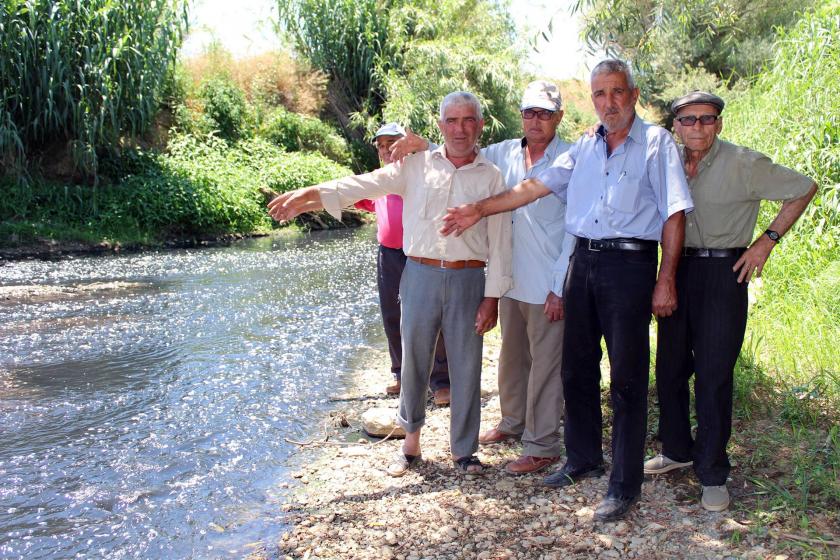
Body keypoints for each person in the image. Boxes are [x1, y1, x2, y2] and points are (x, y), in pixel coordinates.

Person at [441, 60, 693, 521]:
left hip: (630, 263)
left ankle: (624, 485)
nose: (608, 102)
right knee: (576, 370)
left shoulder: (656, 144)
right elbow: (534, 187)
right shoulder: (583, 148)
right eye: (600, 93)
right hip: (583, 261)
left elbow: (675, 213)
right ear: (592, 100)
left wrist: (666, 278)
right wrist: (479, 208)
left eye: (617, 92)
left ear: (633, 95)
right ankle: (582, 460)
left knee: (628, 378)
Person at [267, 91, 512, 477]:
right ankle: (411, 447)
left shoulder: (492, 176)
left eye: (468, 121)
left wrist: (492, 298)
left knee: (466, 367)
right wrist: (308, 197)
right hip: (419, 274)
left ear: (480, 125)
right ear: (440, 125)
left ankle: (464, 453)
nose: (460, 129)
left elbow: (500, 242)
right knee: (413, 362)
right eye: (451, 121)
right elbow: (361, 185)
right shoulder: (413, 166)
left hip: (469, 278)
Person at [644, 91, 817, 511]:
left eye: (706, 119)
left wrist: (766, 242)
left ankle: (713, 472)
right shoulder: (668, 165)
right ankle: (677, 449)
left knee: (714, 374)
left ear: (719, 123)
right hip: (675, 269)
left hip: (724, 273)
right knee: (668, 369)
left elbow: (804, 188)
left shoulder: (744, 163)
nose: (697, 127)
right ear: (676, 127)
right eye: (688, 120)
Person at [391, 81, 574, 475]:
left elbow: (575, 227)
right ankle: (512, 424)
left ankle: (542, 444)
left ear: (559, 116)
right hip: (507, 278)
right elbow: (458, 150)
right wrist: (422, 146)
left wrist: (561, 285)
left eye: (545, 113)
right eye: (529, 113)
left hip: (547, 278)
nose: (536, 121)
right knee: (511, 358)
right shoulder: (502, 153)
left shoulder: (572, 159)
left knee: (545, 364)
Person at [354, 123, 451, 405]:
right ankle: (401, 374)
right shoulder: (377, 179)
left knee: (432, 316)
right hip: (388, 255)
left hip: (420, 254)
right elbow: (360, 199)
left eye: (392, 143)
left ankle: (441, 381)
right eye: (381, 145)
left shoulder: (423, 172)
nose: (386, 150)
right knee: (392, 315)